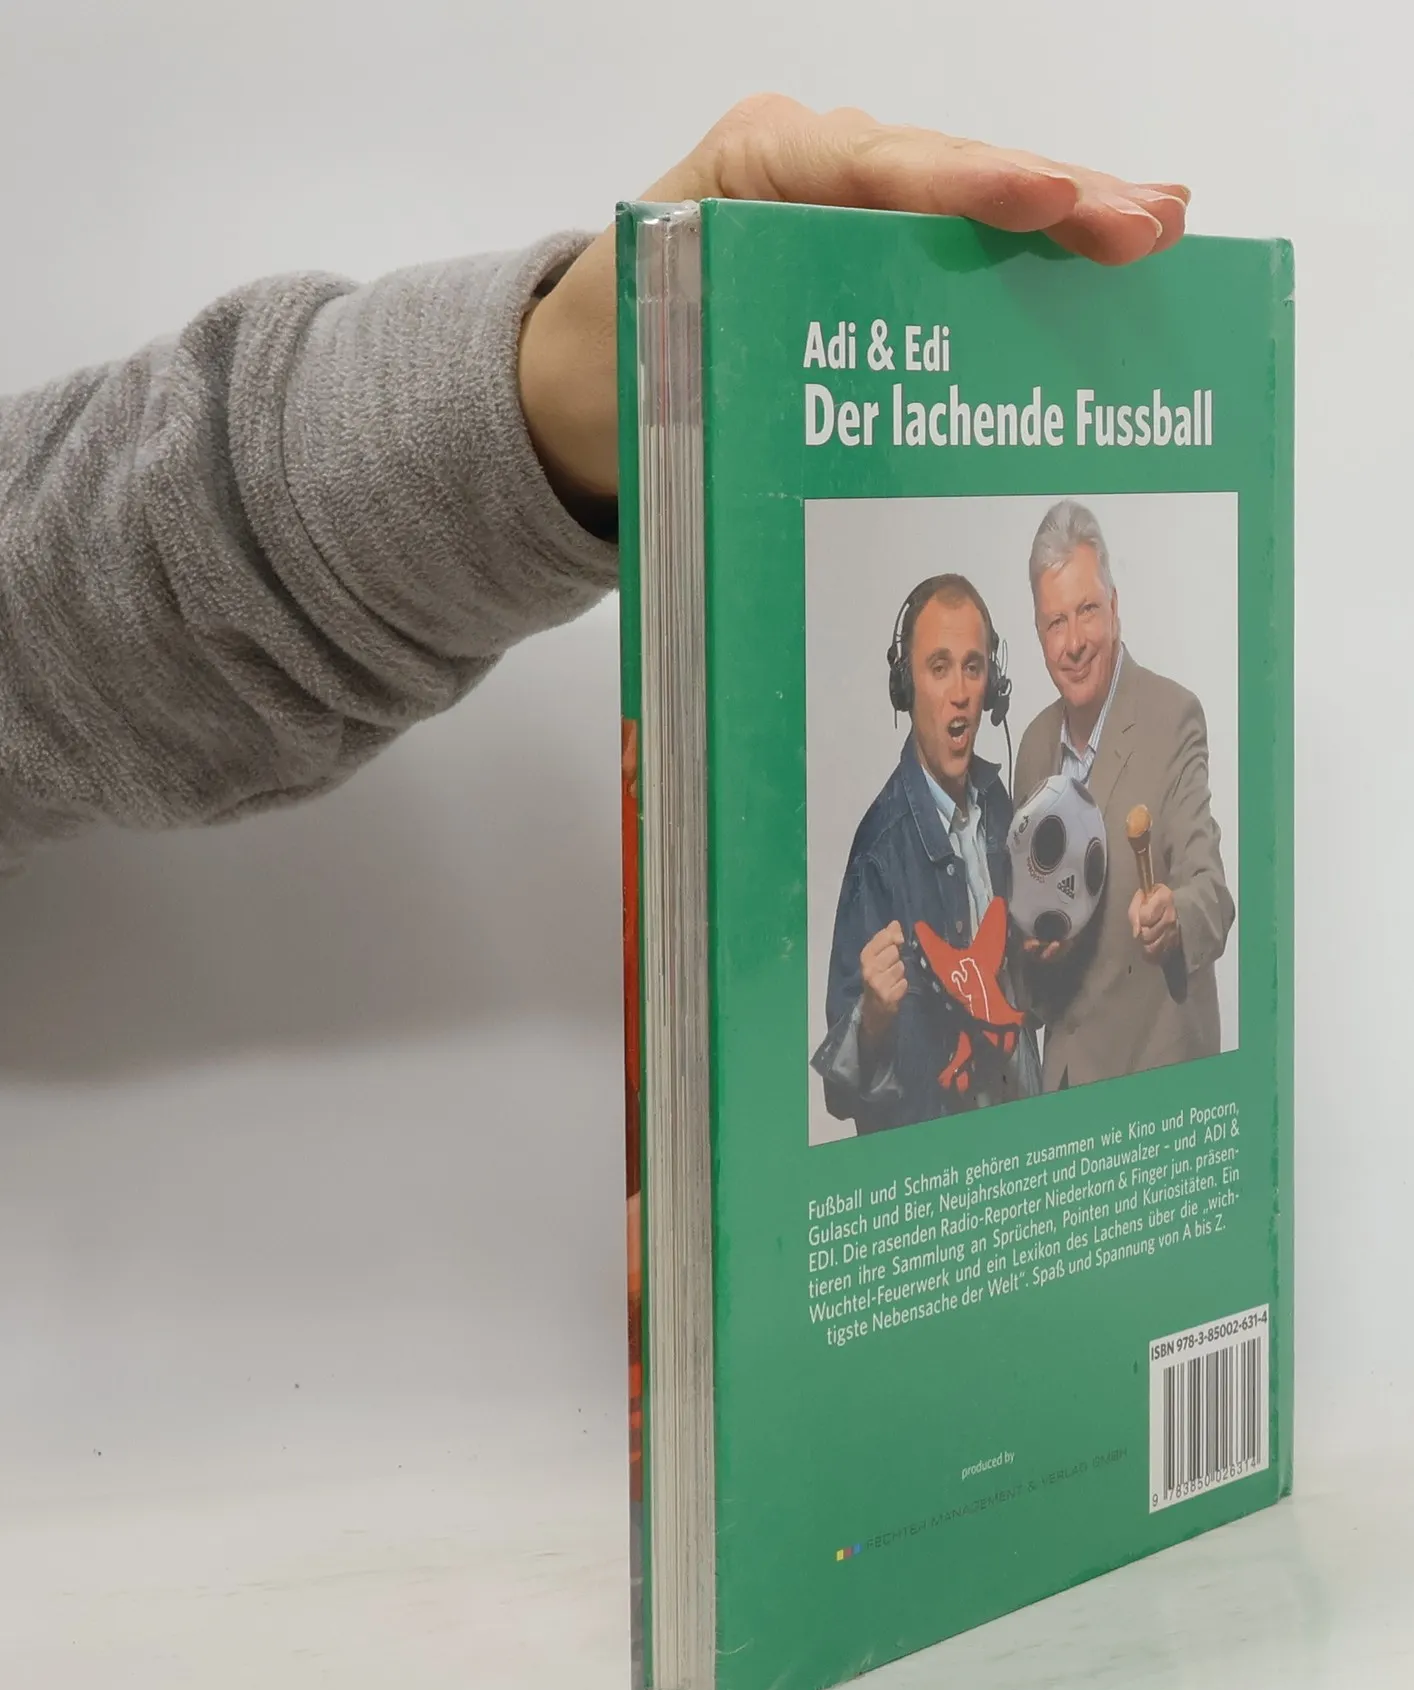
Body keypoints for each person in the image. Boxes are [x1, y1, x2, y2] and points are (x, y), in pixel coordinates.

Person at [0, 95, 1189, 877]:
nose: (974, 684)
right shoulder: (878, 829)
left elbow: (43, 627)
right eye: (946, 661)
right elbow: (63, 641)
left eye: (980, 661)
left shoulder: (1069, 763)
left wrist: (533, 402)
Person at [1012, 499, 1235, 1089]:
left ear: (1114, 608)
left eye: (1087, 610)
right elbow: (1030, 975)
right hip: (1063, 1093)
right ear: (1038, 634)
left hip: (1153, 1089)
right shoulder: (1033, 747)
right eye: (1055, 622)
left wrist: (1174, 918)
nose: (1074, 642)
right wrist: (1033, 949)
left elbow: (1213, 894)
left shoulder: (1172, 716)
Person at [813, 574, 1041, 1134]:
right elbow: (838, 1094)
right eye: (939, 668)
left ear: (992, 686)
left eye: (973, 666)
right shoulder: (878, 852)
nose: (960, 691)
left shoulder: (999, 805)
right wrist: (872, 1017)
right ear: (906, 688)